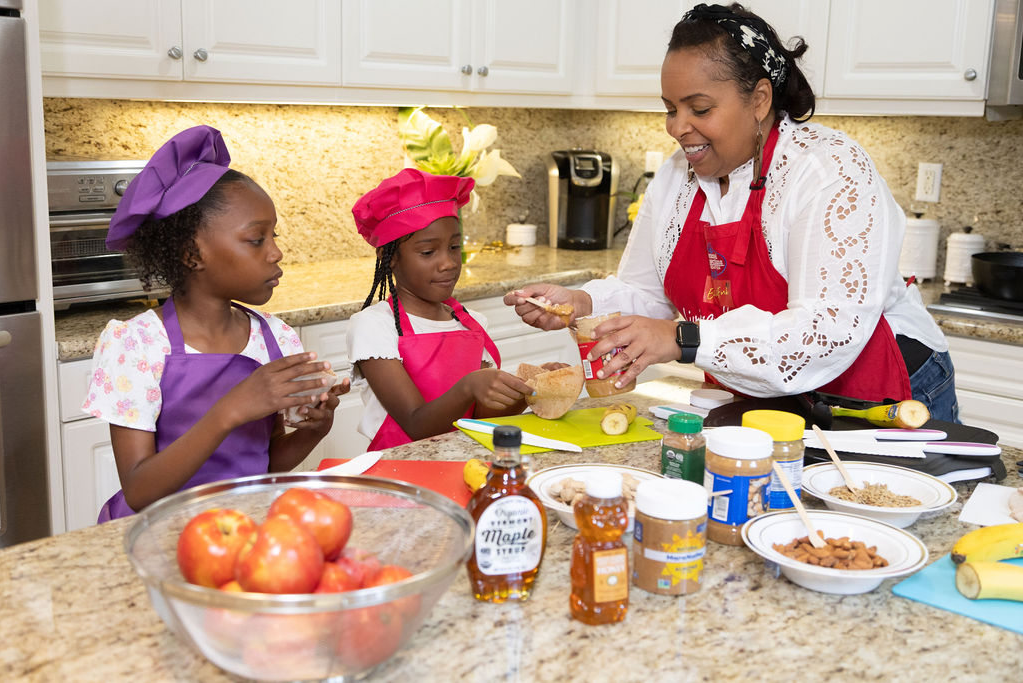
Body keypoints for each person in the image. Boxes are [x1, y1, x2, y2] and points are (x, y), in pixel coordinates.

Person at [505, 3, 959, 422]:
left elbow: (825, 334)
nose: (678, 128)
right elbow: (650, 295)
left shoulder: (827, 170)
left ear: (759, 99)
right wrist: (586, 304)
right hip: (758, 401)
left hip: (877, 397)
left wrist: (682, 339)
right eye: (670, 109)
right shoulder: (676, 176)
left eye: (699, 108)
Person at [83, 125, 350, 522]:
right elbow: (139, 490)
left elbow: (263, 467)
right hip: (157, 536)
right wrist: (232, 409)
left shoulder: (274, 339)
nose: (276, 252)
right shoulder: (136, 345)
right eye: (256, 239)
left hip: (237, 529)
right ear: (192, 253)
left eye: (274, 236)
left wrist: (315, 429)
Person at [346, 168, 535, 449]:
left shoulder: (471, 322)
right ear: (389, 257)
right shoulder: (374, 326)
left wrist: (529, 389)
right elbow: (416, 424)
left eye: (455, 247)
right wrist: (470, 386)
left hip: (464, 462)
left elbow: (481, 419)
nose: (448, 263)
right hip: (401, 472)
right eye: (428, 252)